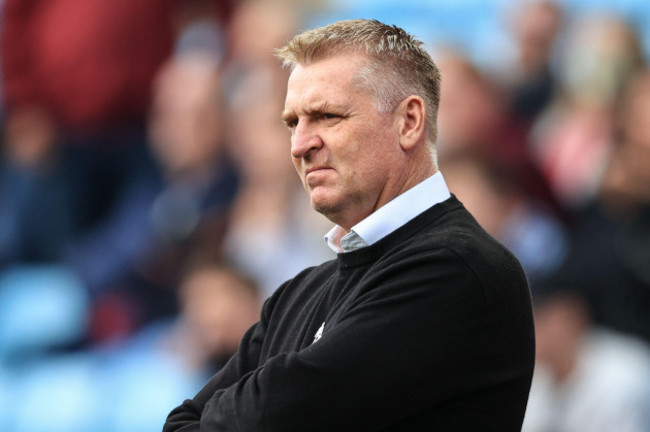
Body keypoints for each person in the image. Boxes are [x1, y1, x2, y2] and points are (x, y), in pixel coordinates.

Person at [164, 19, 535, 431]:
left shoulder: (459, 269)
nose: (301, 145)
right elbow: (181, 422)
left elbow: (279, 419)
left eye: (326, 116)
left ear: (409, 121)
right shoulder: (296, 296)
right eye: (292, 123)